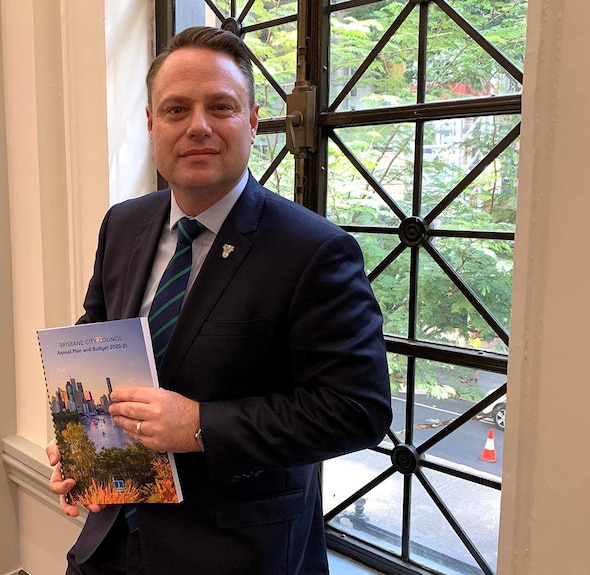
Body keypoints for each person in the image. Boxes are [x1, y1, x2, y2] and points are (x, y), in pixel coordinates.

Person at [46, 26, 391, 575]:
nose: (198, 127)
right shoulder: (123, 224)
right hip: (110, 542)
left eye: (221, 107)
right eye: (177, 109)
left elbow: (357, 411)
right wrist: (79, 448)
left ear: (253, 122)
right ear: (152, 125)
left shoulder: (315, 251)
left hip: (238, 555)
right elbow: (94, 349)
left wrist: (201, 425)